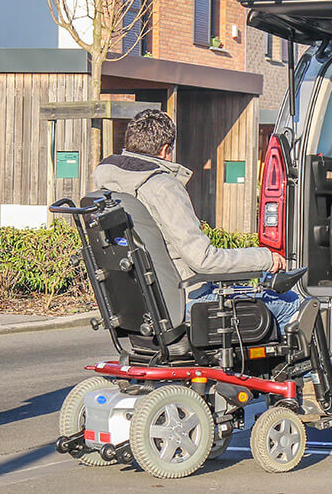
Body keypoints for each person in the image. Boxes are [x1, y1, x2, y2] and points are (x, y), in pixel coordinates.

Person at [92, 109, 304, 329]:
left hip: (140, 306)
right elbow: (203, 261)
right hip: (184, 302)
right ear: (166, 150)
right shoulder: (162, 187)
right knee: (292, 303)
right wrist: (266, 258)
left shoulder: (107, 186)